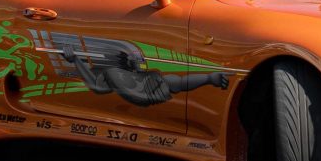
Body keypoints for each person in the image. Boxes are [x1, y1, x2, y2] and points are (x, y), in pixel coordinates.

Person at [61, 44, 228, 107]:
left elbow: (137, 68)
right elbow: (97, 87)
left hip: (144, 82)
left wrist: (136, 63)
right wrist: (75, 60)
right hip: (141, 92)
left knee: (172, 81)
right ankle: (209, 78)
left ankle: (210, 78)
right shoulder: (107, 74)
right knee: (172, 82)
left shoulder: (118, 70)